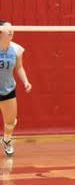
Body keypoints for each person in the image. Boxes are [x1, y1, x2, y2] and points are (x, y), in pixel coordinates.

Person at [0, 21, 32, 156]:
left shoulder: (17, 49)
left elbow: (19, 67)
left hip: (7, 90)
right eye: (8, 30)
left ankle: (6, 140)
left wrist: (26, 81)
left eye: (12, 30)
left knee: (10, 122)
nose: (11, 32)